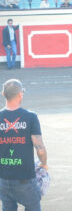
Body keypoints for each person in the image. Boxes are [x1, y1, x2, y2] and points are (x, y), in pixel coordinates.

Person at [0, 79, 48, 210]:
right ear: (20, 94)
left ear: (3, 94)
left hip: (3, 178)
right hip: (25, 179)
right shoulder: (30, 117)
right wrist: (44, 164)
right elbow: (40, 148)